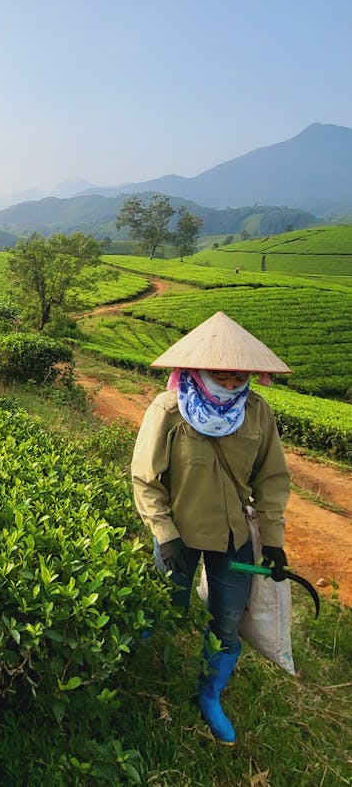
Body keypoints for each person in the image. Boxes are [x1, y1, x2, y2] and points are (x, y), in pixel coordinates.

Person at [131, 311, 291, 745]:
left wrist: (273, 542)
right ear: (200, 367)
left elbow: (272, 479)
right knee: (165, 609)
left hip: (234, 538)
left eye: (241, 373)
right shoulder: (169, 409)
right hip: (179, 537)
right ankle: (138, 673)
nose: (233, 380)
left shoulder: (257, 413)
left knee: (227, 619)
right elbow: (146, 479)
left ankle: (210, 696)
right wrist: (164, 535)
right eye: (223, 371)